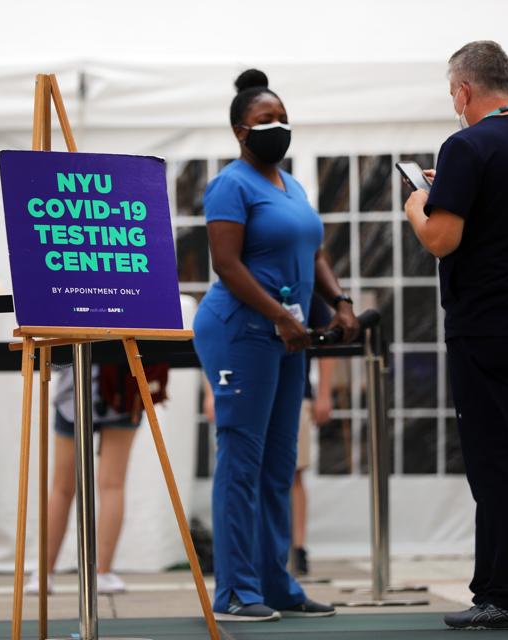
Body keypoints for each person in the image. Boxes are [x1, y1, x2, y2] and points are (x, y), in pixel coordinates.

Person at [403, 41, 508, 630]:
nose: (453, 102)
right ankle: (493, 584)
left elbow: (442, 238)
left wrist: (419, 204)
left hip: (483, 324)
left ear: (465, 90)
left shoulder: (466, 145)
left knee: (492, 464)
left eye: (453, 93)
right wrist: (452, 185)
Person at [193, 68, 358, 622]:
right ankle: (235, 591)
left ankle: (276, 582)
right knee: (241, 459)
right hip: (242, 329)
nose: (278, 127)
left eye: (283, 117)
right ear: (241, 131)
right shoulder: (230, 185)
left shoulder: (295, 187)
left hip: (289, 335)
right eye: (266, 120)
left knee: (279, 463)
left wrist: (340, 302)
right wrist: (278, 318)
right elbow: (226, 264)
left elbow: (313, 255)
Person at [24, 365, 145, 595]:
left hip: (76, 390)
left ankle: (44, 573)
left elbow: (55, 358)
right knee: (113, 485)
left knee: (62, 488)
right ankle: (104, 572)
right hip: (125, 389)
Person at [291, 295, 336, 576]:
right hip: (253, 392)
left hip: (298, 393)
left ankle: (298, 547)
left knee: (294, 473)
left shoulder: (307, 290)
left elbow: (328, 342)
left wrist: (324, 394)